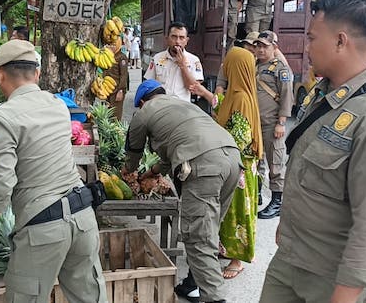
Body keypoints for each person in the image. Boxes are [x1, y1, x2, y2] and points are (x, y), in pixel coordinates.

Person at [260, 0, 366, 303]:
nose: (307, 46)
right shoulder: (324, 95)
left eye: (313, 38)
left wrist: (344, 297)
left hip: (334, 281)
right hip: (292, 260)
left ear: (341, 41)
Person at [0, 39, 107, 303]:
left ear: (0, 75)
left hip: (43, 227)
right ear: (37, 73)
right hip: (83, 218)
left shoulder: (3, 118)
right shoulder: (58, 105)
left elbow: (2, 181)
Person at [123, 80, 242, 303]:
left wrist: (128, 171)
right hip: (232, 159)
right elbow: (173, 154)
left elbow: (133, 151)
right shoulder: (182, 106)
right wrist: (153, 172)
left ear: (140, 101)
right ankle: (191, 284)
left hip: (204, 165)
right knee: (209, 228)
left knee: (198, 237)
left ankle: (214, 299)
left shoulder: (144, 112)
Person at [191, 46, 263, 281]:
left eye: (227, 64)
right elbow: (221, 110)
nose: (223, 67)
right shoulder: (235, 93)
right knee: (228, 209)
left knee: (238, 212)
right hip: (231, 164)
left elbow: (240, 138)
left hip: (239, 165)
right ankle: (228, 250)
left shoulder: (241, 98)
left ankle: (237, 260)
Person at [254, 30, 293, 219]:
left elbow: (287, 96)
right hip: (255, 123)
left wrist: (282, 122)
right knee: (257, 161)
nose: (260, 49)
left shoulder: (281, 69)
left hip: (272, 124)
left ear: (274, 48)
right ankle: (257, 195)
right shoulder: (253, 65)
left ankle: (277, 202)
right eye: (258, 45)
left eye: (265, 46)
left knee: (275, 163)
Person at [144, 22, 204, 102]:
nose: (177, 41)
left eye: (181, 37)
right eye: (174, 37)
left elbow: (193, 89)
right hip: (160, 105)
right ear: (167, 39)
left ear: (186, 41)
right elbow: (149, 84)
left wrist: (183, 66)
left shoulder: (194, 60)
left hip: (181, 108)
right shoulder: (157, 58)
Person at [102, 43, 129, 120]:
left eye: (113, 45)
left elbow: (124, 75)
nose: (111, 47)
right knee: (108, 113)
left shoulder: (121, 57)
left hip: (117, 90)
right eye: (109, 45)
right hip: (108, 89)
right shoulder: (108, 56)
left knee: (116, 114)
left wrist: (121, 90)